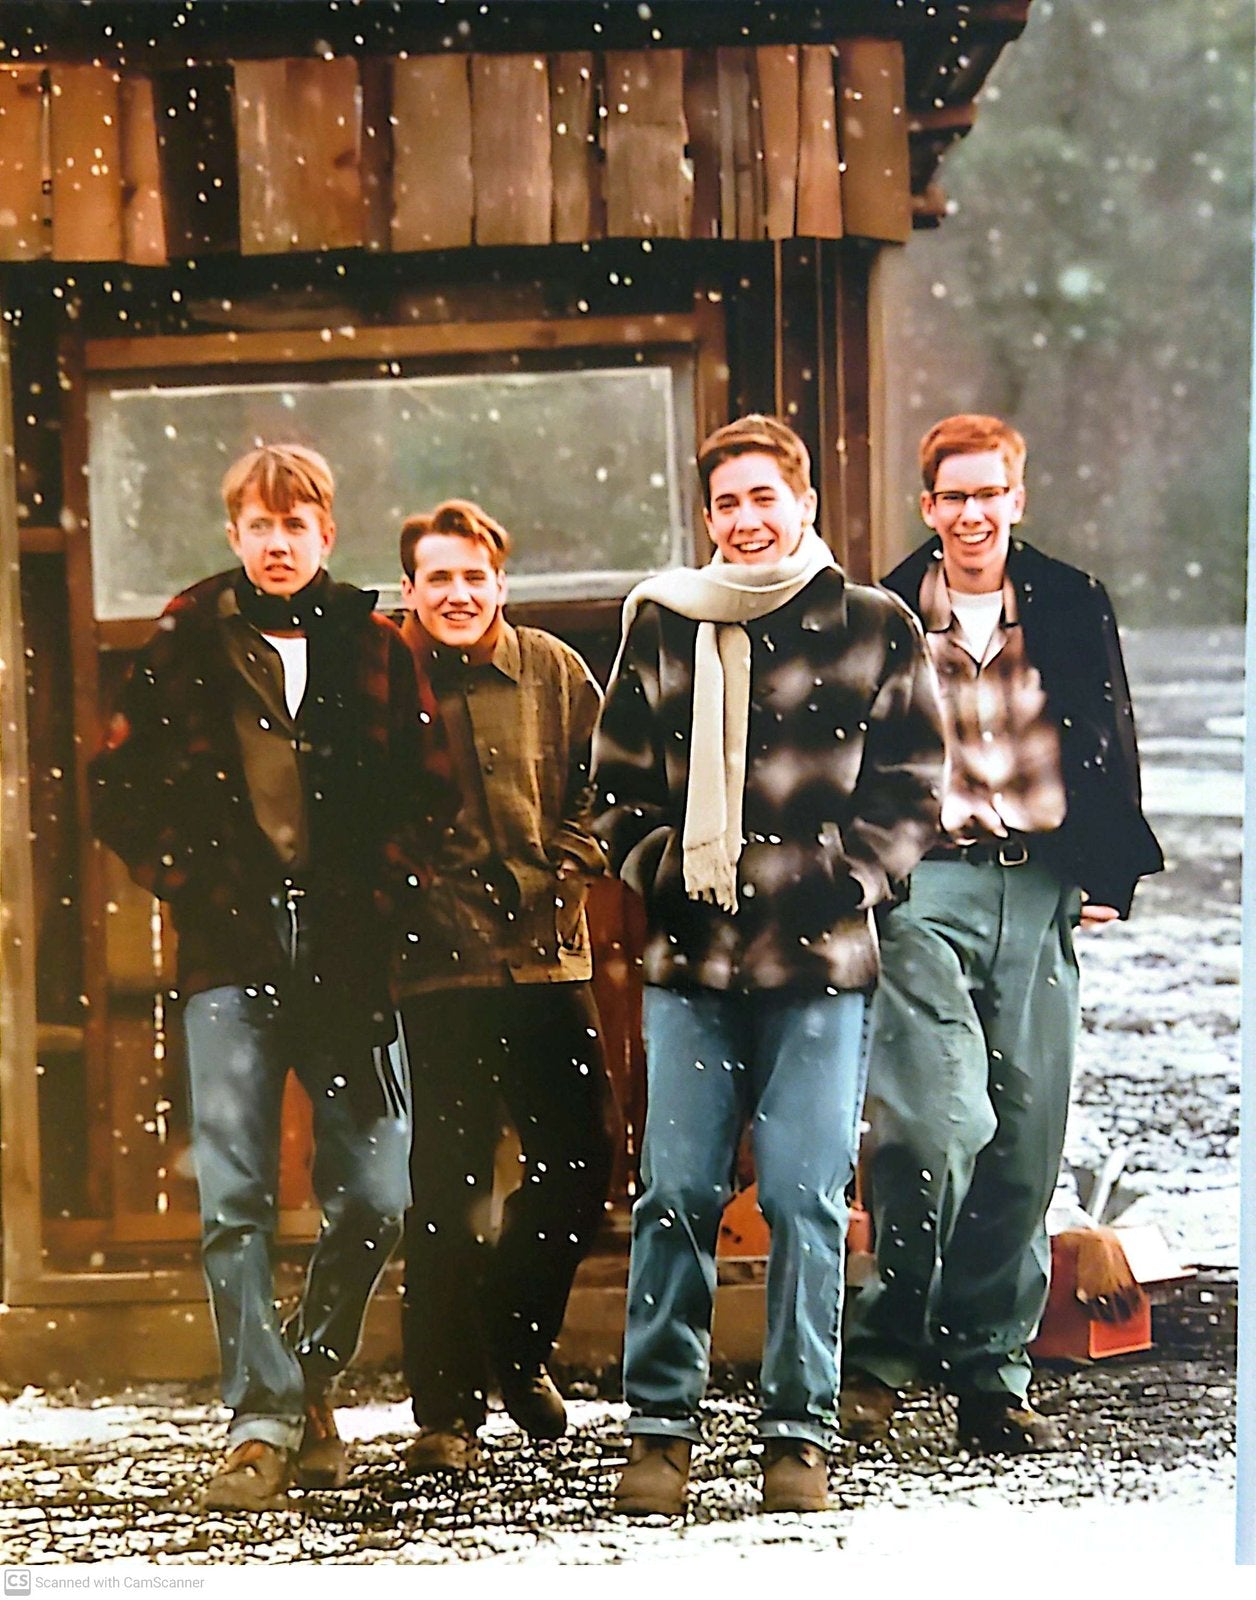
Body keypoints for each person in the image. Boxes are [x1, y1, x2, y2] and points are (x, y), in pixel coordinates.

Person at [590, 415, 945, 1516]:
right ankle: (660, 1430)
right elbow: (613, 789)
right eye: (726, 503)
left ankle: (797, 1435)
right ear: (707, 517)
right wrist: (668, 867)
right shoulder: (663, 622)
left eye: (763, 497)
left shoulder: (872, 625)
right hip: (691, 961)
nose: (745, 520)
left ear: (803, 503)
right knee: (676, 1192)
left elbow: (912, 789)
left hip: (821, 960)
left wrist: (837, 876)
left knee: (802, 1194)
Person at [89, 444, 449, 1512]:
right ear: (235, 534)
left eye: (296, 525)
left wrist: (380, 895)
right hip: (230, 949)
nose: (278, 542)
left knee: (377, 1194)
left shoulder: (374, 645)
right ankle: (259, 1420)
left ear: (325, 533)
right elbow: (117, 788)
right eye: (260, 525)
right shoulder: (186, 639)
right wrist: (196, 883)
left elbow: (430, 794)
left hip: (351, 954)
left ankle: (308, 1375)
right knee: (234, 1196)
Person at [840, 413, 1164, 1453]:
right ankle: (883, 1353)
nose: (972, 513)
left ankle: (991, 1371)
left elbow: (1107, 730)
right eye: (954, 496)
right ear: (927, 506)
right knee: (933, 1127)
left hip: (1038, 884)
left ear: (1015, 499)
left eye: (990, 493)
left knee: (1025, 1140)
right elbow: (855, 752)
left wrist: (1108, 865)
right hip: (925, 886)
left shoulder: (1067, 601)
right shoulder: (884, 610)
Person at [394, 498, 616, 1476]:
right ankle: (445, 1411)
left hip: (542, 958)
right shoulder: (384, 679)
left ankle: (513, 1339)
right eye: (438, 578)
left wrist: (557, 869)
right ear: (409, 588)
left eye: (473, 577)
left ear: (500, 583)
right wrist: (423, 898)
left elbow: (604, 789)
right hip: (432, 970)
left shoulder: (554, 673)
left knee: (581, 1162)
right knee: (446, 1184)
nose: (457, 594)